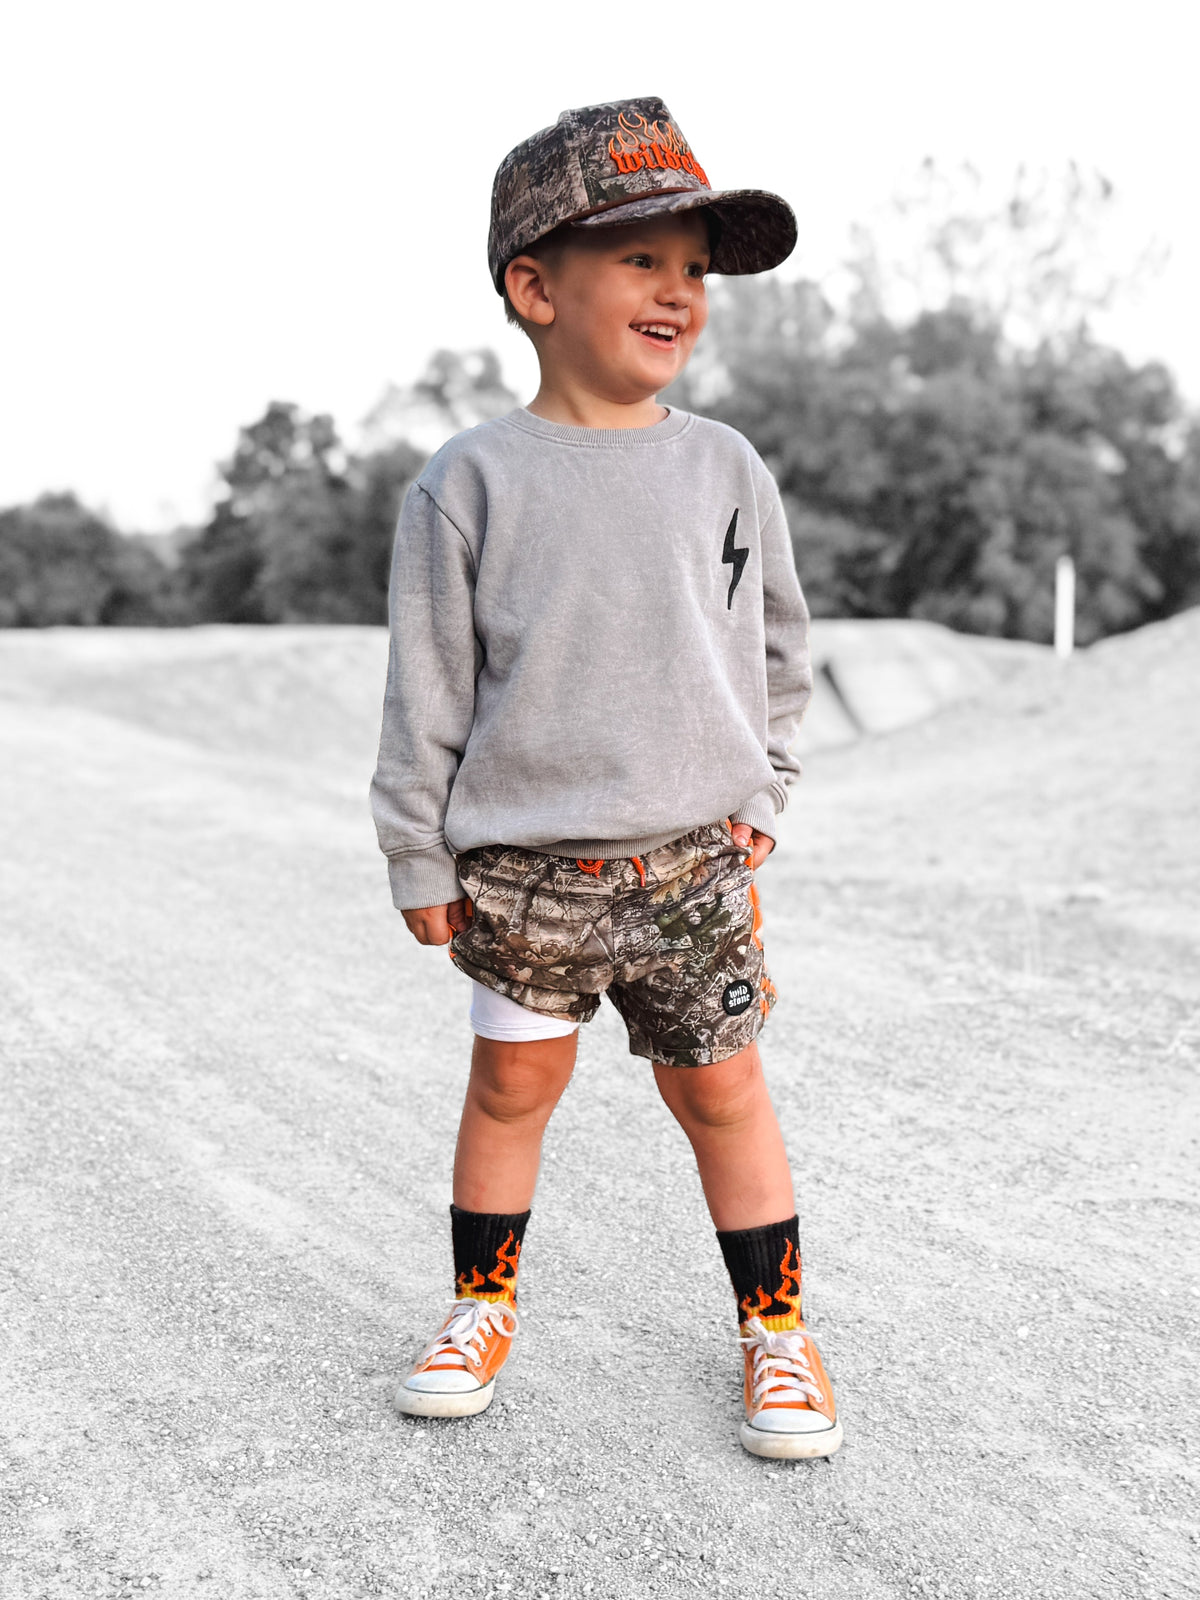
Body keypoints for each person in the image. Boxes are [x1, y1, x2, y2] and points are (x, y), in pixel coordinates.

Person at [370, 96, 841, 1460]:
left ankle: (777, 1331)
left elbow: (780, 644)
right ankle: (480, 1307)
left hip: (695, 863)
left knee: (724, 1094)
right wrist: (417, 850)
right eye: (641, 259)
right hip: (527, 872)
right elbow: (428, 686)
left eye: (694, 267)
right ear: (536, 288)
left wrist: (766, 789)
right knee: (510, 1093)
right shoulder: (469, 482)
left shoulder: (724, 467)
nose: (680, 290)